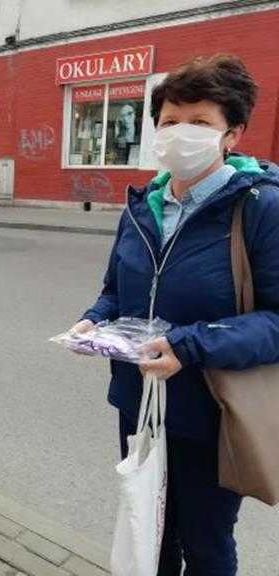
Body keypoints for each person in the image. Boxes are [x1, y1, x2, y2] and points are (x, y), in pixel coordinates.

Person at [73, 54, 279, 575]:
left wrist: (188, 346)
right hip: (138, 404)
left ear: (231, 134)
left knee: (206, 547)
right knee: (150, 533)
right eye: (169, 121)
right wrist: (93, 320)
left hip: (211, 411)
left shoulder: (259, 208)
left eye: (199, 122)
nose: (180, 133)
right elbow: (114, 291)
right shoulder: (142, 206)